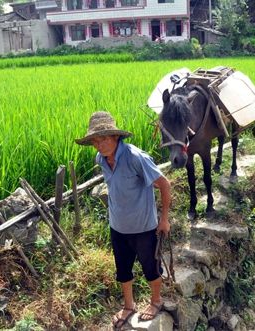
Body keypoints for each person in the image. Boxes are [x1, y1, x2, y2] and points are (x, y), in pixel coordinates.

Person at [76, 111, 171, 329]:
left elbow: (164, 184)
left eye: (104, 138)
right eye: (95, 141)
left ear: (116, 137)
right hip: (117, 225)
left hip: (144, 226)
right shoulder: (100, 159)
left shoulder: (136, 157)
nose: (99, 145)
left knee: (151, 267)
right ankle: (129, 305)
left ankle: (156, 301)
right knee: (123, 269)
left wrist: (164, 219)